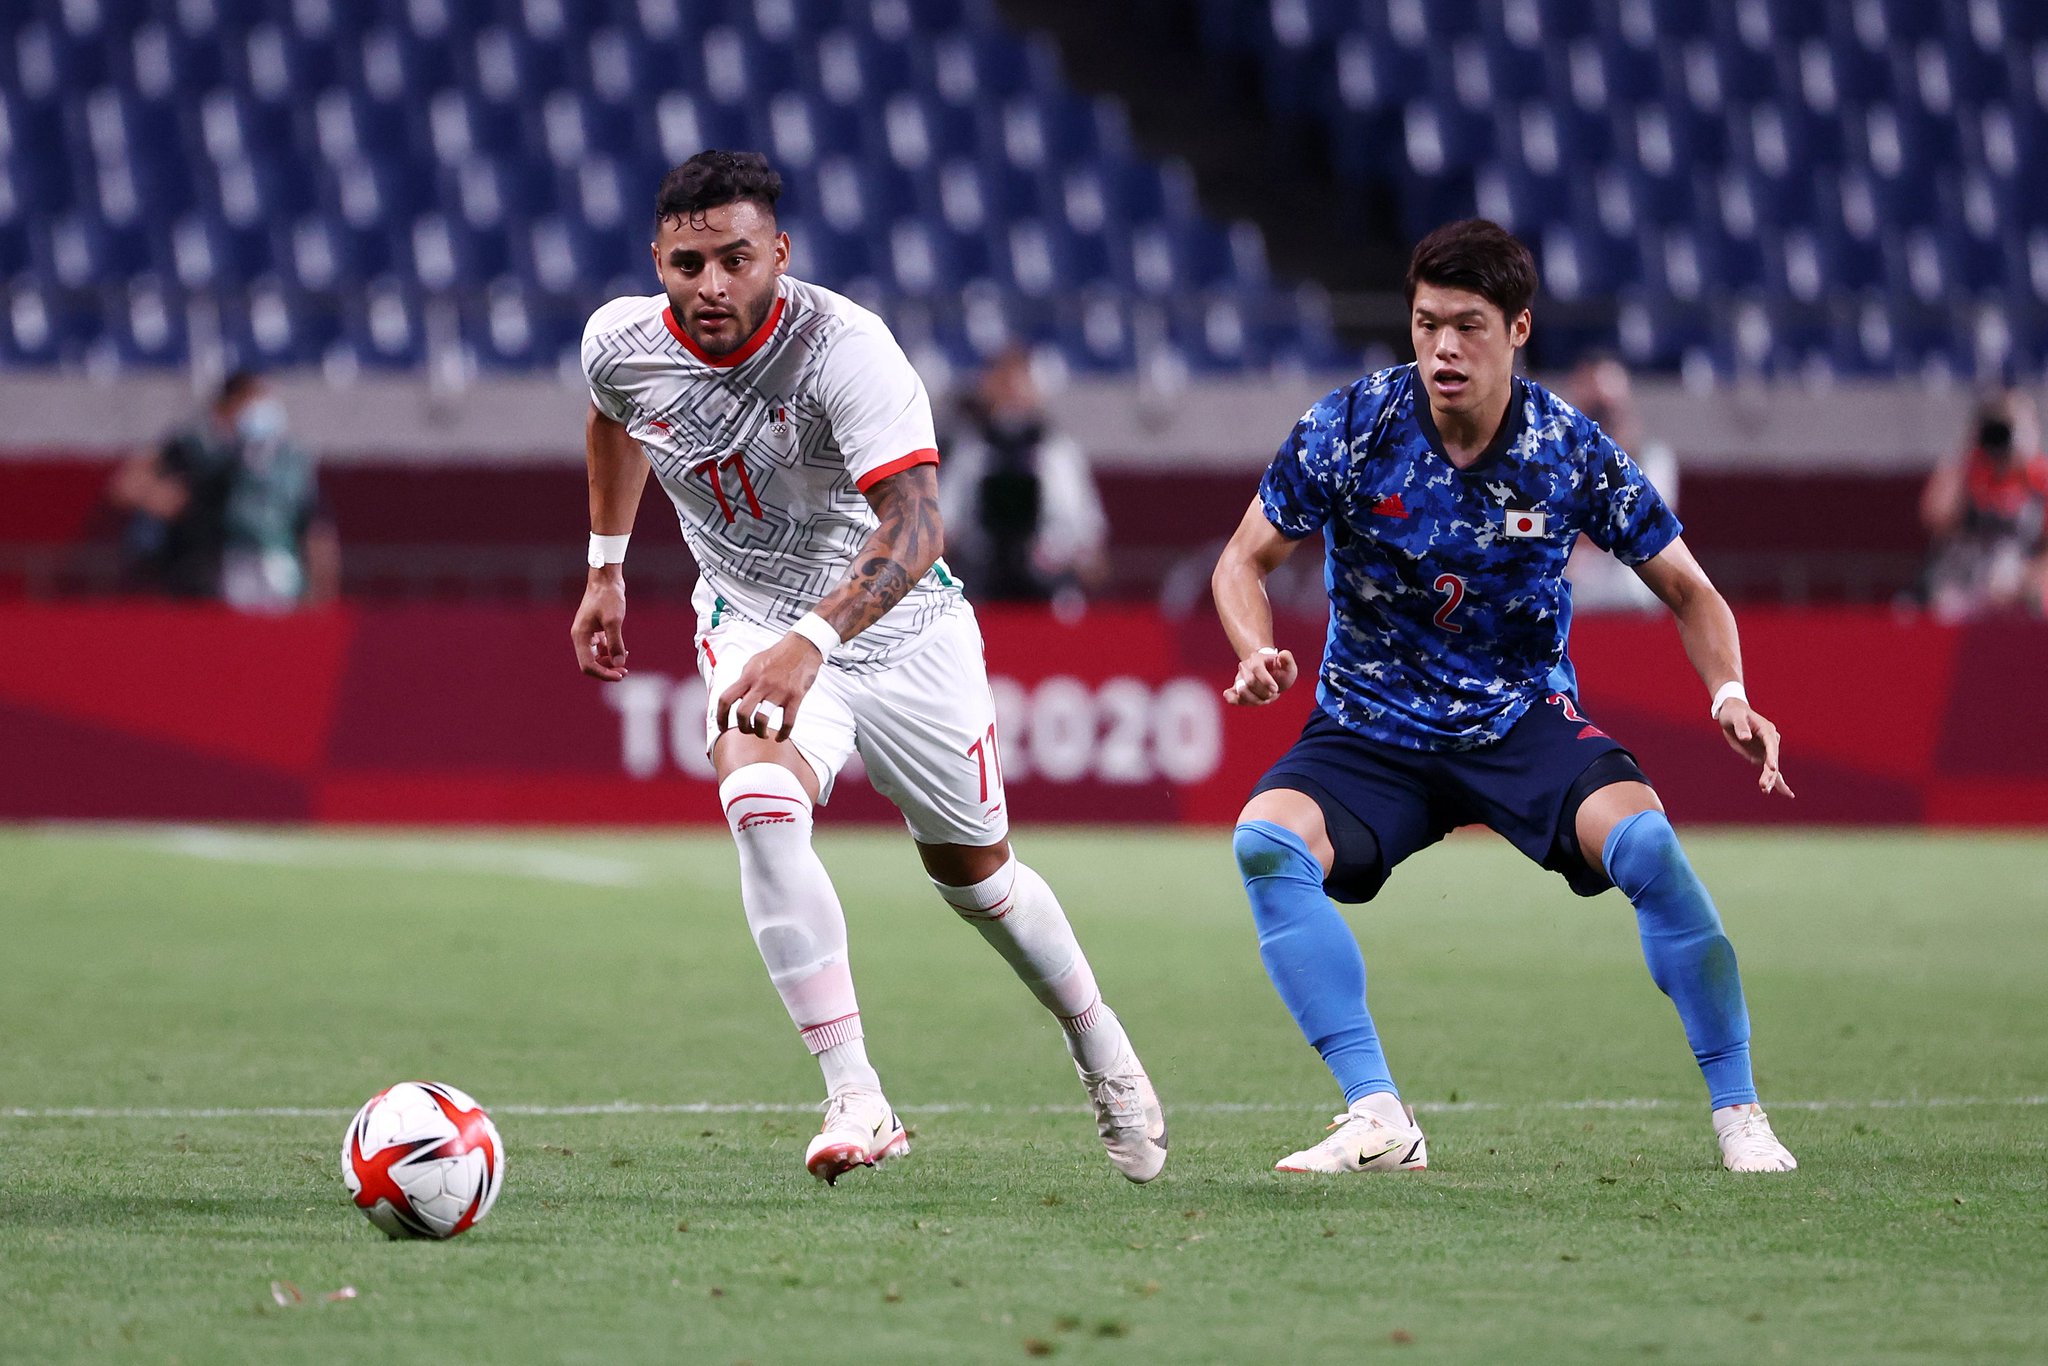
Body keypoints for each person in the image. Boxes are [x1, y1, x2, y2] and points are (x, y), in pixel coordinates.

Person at [569, 151, 1165, 1185]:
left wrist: (816, 641)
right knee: (756, 799)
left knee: (978, 882)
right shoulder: (617, 344)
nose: (711, 284)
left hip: (901, 633)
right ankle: (855, 1094)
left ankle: (1098, 1043)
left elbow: (919, 523)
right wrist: (606, 567)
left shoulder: (846, 348)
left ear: (778, 254)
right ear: (657, 260)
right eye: (687, 262)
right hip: (752, 616)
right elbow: (614, 418)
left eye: (735, 259)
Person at [1210, 219, 1798, 1176]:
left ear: (1518, 330)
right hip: (1371, 730)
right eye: (1426, 323)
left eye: (1468, 326)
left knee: (1647, 844)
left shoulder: (1567, 449)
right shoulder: (1350, 426)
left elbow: (1690, 589)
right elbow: (1243, 560)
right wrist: (1255, 646)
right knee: (1266, 842)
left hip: (1521, 721)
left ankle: (1741, 1114)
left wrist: (1728, 691)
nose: (1443, 347)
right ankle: (1377, 1116)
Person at [108, 371, 338, 611]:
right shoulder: (194, 447)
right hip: (196, 576)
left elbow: (316, 530)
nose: (261, 412)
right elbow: (126, 485)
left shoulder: (285, 463)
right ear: (228, 405)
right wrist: (170, 501)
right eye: (252, 402)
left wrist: (320, 594)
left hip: (264, 580)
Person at [938, 346, 1109, 608]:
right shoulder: (970, 451)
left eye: (1020, 382)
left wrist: (1073, 560)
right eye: (1003, 383)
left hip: (1049, 582)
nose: (1012, 392)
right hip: (982, 580)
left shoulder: (1058, 453)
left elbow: (1087, 535)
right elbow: (943, 529)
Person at [1559, 352, 1677, 612]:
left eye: (1608, 407)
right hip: (1574, 588)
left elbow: (1638, 524)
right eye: (1594, 409)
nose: (1603, 419)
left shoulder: (1652, 458)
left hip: (1629, 585)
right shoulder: (1553, 458)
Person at [1916, 392, 2048, 620]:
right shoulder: (1964, 470)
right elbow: (1936, 517)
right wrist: (1967, 458)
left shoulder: (2040, 479)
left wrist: (2027, 577)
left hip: (2017, 585)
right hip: (1960, 581)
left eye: (2009, 428)